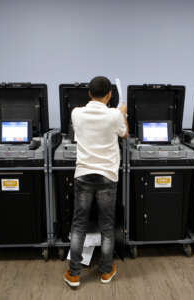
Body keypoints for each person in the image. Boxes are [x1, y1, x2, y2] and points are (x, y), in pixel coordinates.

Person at [63, 76, 128, 288]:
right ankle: (106, 271)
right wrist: (123, 113)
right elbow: (124, 134)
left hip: (83, 174)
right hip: (107, 176)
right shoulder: (114, 115)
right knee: (107, 226)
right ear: (109, 94)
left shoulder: (76, 113)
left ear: (89, 94)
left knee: (79, 225)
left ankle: (74, 274)